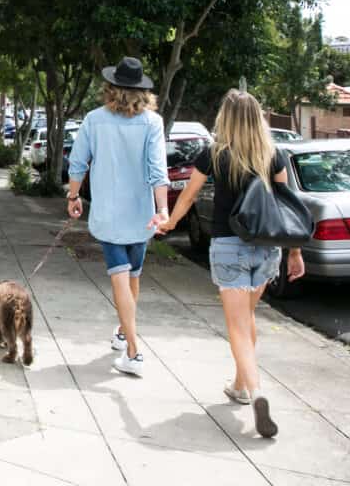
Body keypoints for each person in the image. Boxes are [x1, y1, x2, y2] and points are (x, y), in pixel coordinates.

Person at [154, 89, 304, 438]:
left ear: (226, 118)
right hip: (267, 248)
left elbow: (189, 196)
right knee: (248, 319)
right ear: (258, 118)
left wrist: (169, 223)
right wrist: (295, 253)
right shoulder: (274, 154)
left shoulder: (214, 154)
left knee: (237, 326)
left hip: (228, 245)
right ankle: (240, 385)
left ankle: (257, 392)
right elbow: (288, 206)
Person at [67, 57, 169, 377]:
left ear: (111, 87)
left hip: (109, 216)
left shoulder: (94, 120)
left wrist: (73, 196)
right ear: (143, 91)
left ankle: (134, 353)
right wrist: (163, 209)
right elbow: (158, 171)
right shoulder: (153, 123)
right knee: (132, 277)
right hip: (141, 216)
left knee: (120, 279)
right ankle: (124, 332)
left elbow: (78, 162)